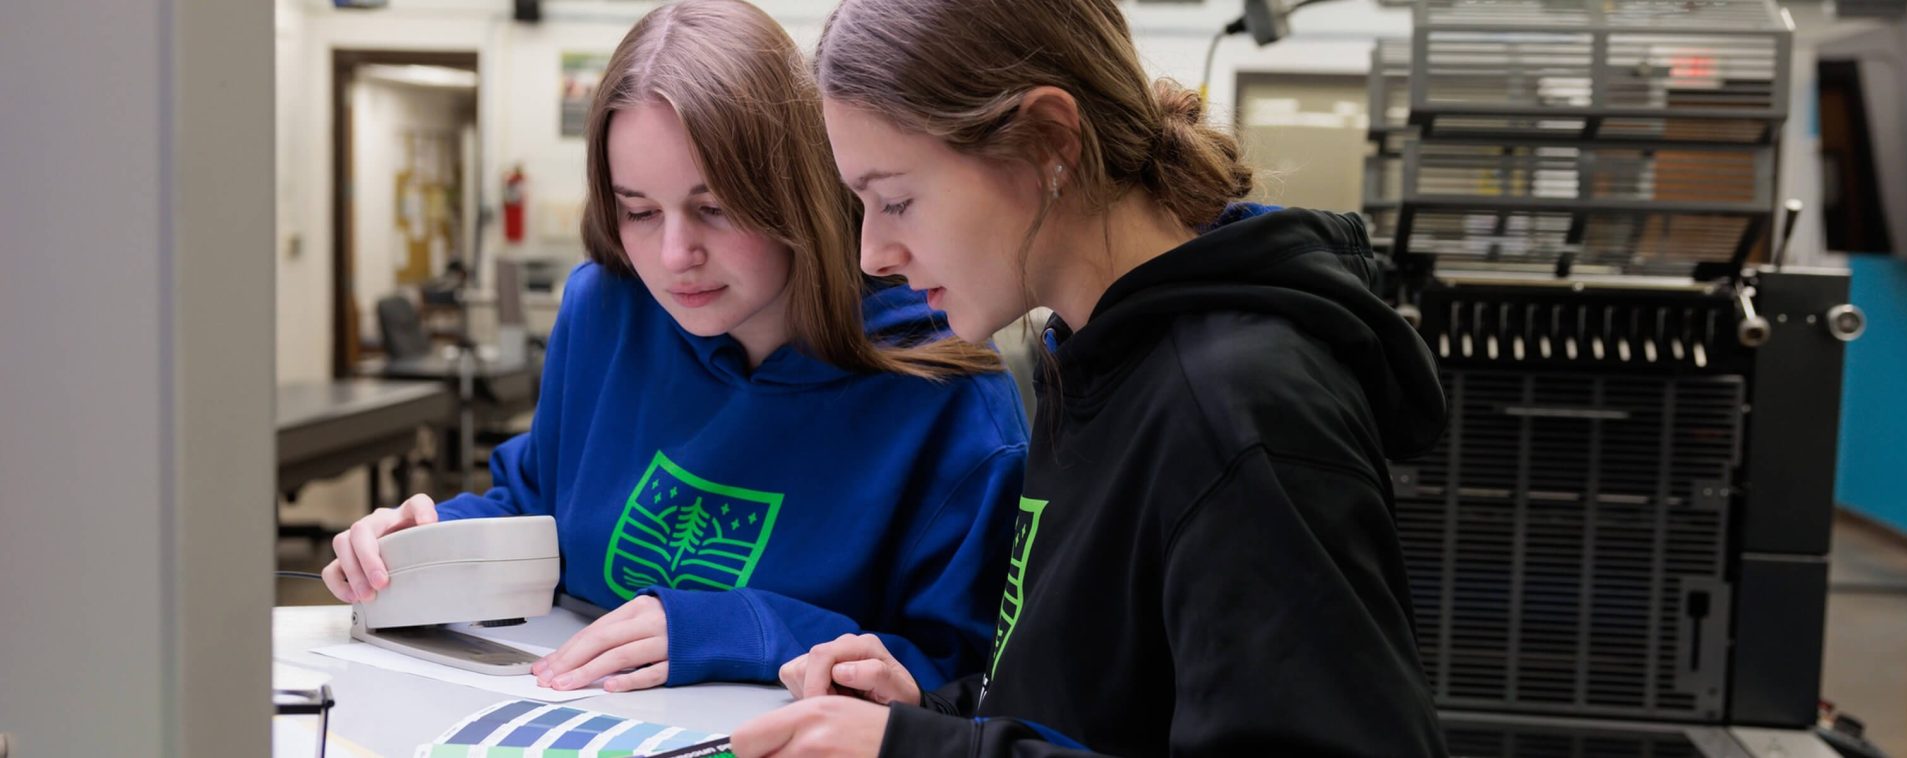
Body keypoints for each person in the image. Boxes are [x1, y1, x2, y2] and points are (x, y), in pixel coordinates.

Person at [731, 0, 1450, 754]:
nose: (872, 252)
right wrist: (934, 712)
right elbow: (1105, 701)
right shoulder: (1090, 351)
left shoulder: (1236, 412)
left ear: (1048, 142)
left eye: (898, 200)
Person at [321, 0, 1028, 696]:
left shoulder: (945, 386)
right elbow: (535, 507)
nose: (672, 255)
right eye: (638, 210)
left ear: (796, 189)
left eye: (715, 208)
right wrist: (430, 540)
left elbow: (966, 682)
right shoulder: (603, 308)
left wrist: (747, 626)